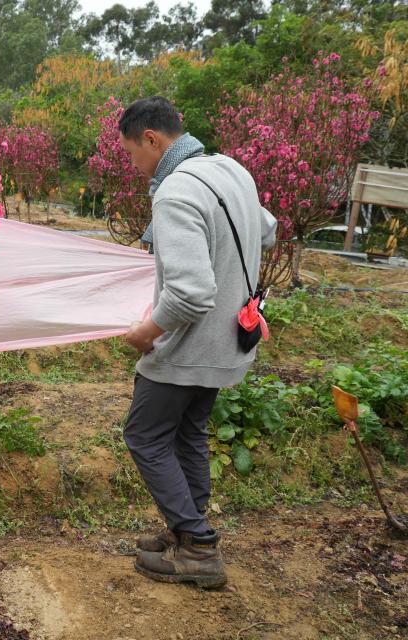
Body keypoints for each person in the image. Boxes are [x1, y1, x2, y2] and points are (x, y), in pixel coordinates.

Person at [117, 97, 277, 588]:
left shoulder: (176, 192)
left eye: (131, 154)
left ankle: (199, 548)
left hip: (187, 349)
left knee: (144, 436)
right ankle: (189, 532)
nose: (133, 165)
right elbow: (267, 229)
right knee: (187, 435)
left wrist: (147, 332)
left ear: (151, 139)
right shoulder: (229, 169)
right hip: (229, 343)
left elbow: (190, 293)